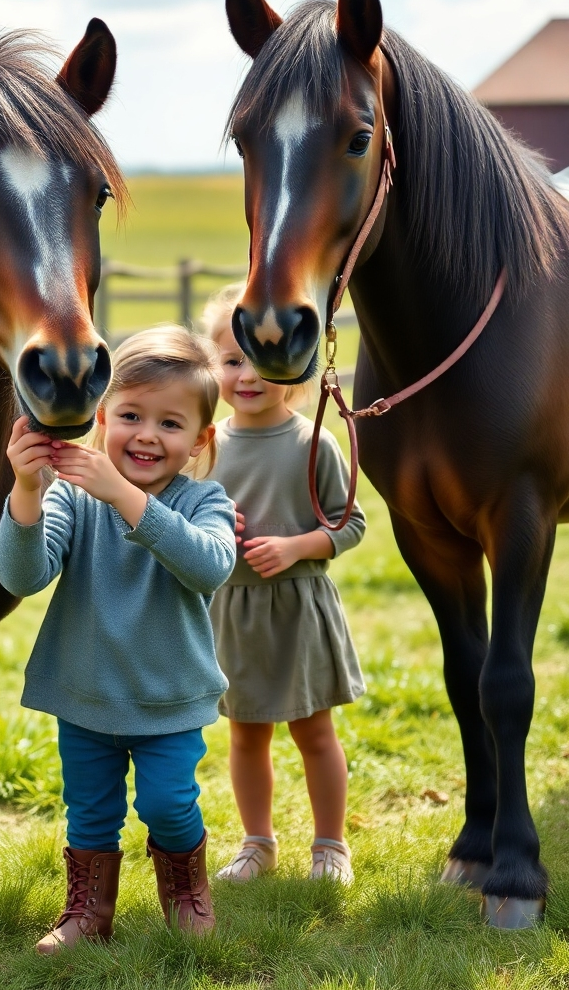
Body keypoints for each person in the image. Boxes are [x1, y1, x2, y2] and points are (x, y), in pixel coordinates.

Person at [0, 326, 236, 953]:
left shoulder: (206, 501)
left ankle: (186, 894)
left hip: (169, 700)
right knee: (90, 813)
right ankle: (87, 914)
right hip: (85, 694)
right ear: (102, 418)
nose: (148, 434)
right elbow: (21, 574)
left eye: (171, 423)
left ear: (200, 440)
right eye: (131, 415)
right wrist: (26, 489)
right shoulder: (73, 500)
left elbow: (210, 565)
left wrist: (125, 496)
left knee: (168, 804)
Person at [203, 284, 365, 886]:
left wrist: (298, 546)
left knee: (315, 731)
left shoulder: (313, 441)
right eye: (232, 360)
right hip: (232, 611)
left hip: (298, 609)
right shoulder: (205, 445)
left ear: (296, 366)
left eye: (264, 362)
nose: (247, 376)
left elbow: (350, 522)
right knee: (245, 736)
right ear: (213, 365)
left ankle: (331, 845)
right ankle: (257, 843)